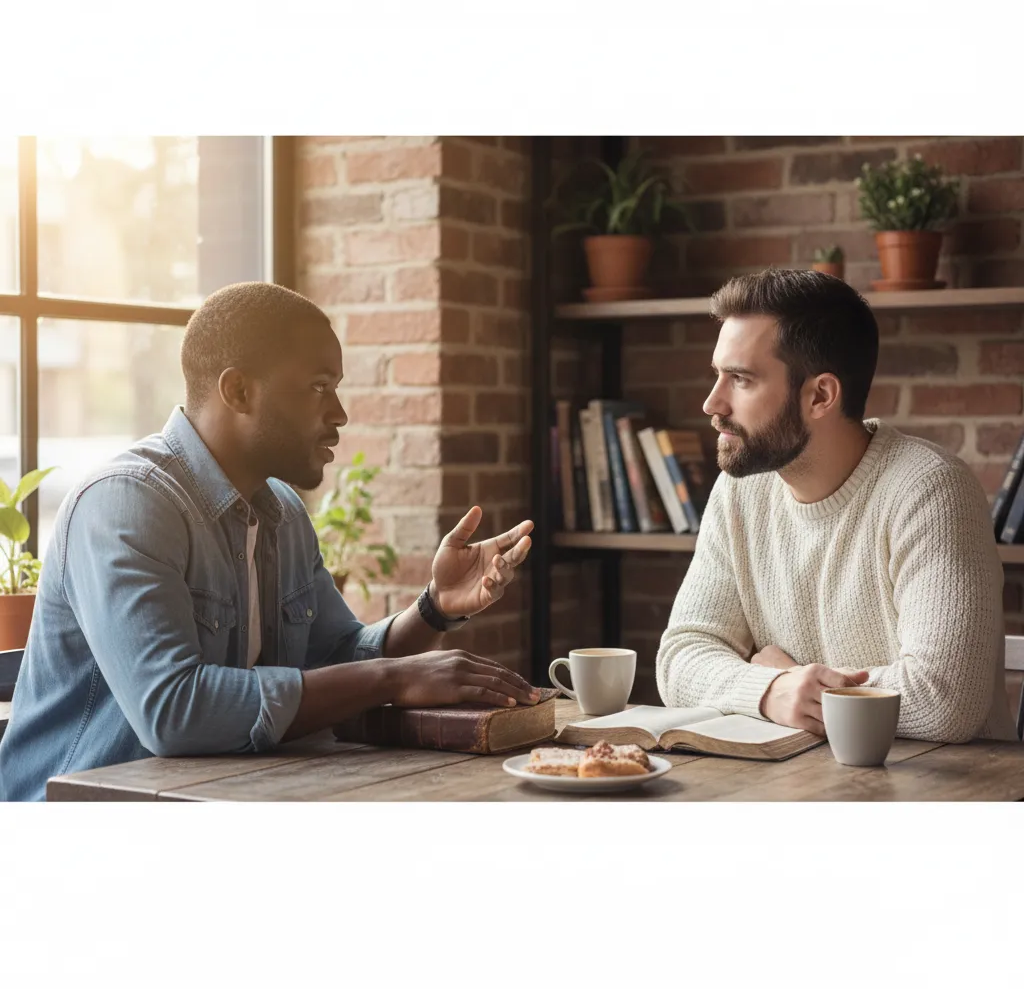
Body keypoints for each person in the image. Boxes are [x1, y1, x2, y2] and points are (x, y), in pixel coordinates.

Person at [0, 282, 538, 801]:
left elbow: (338, 657)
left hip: (216, 804)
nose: (340, 414)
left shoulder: (282, 510)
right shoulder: (126, 502)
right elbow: (173, 710)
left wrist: (435, 609)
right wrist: (393, 678)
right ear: (238, 391)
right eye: (319, 387)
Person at [656, 268, 1016, 744]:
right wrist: (773, 689)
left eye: (740, 379)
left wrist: (791, 680)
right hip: (802, 779)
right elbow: (680, 658)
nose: (711, 404)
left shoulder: (931, 491)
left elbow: (945, 700)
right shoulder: (739, 493)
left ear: (820, 396)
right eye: (717, 375)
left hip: (943, 784)